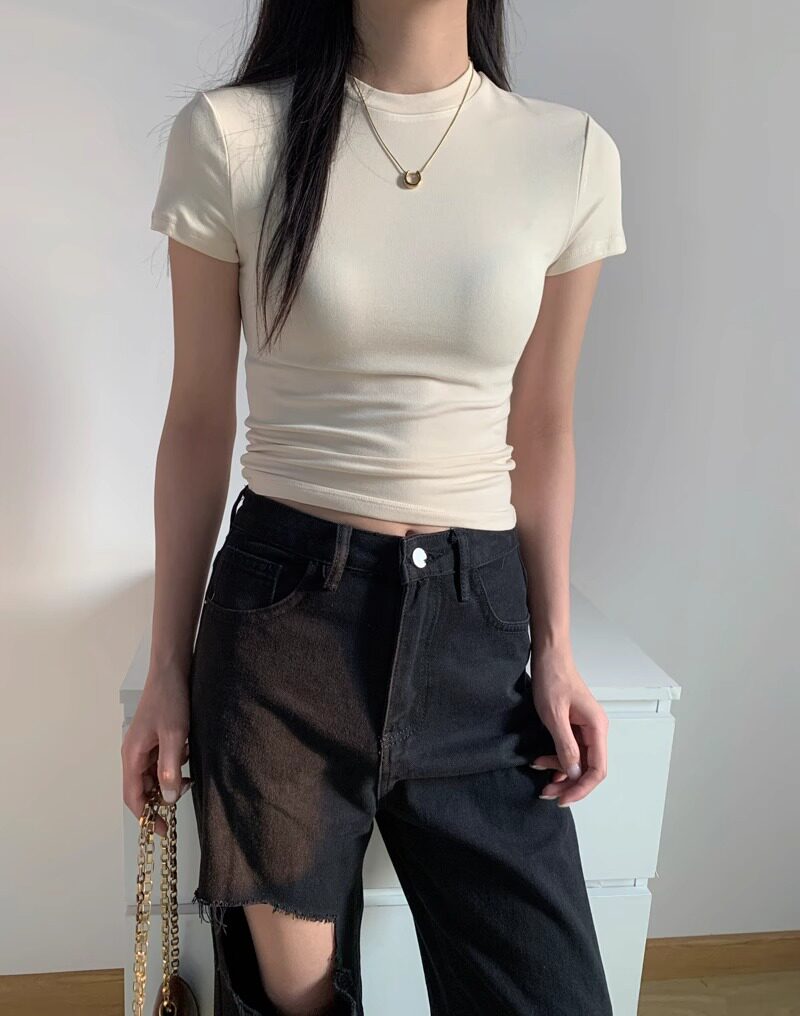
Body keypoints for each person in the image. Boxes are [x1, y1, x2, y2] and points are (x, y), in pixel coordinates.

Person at [122, 2, 626, 1013]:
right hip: (283, 637)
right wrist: (167, 669)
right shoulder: (233, 136)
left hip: (477, 637)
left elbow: (542, 425)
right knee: (298, 1003)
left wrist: (556, 649)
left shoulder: (569, 154)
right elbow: (197, 421)